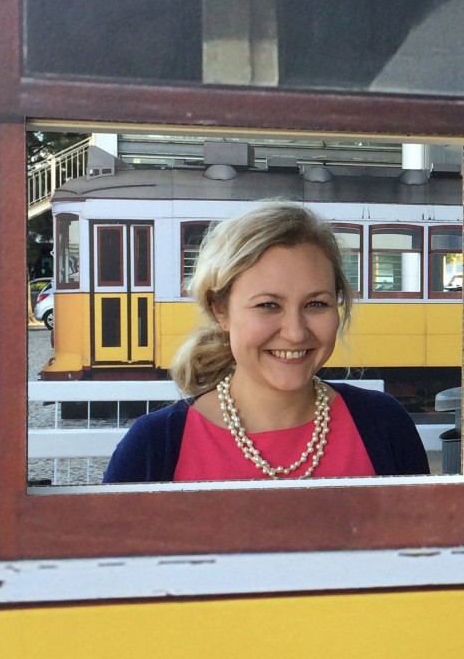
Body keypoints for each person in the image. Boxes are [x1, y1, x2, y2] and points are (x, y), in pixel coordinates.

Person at [105, 202, 428, 482]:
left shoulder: (384, 423)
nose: (296, 332)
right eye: (268, 305)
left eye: (316, 304)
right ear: (221, 310)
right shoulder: (155, 446)